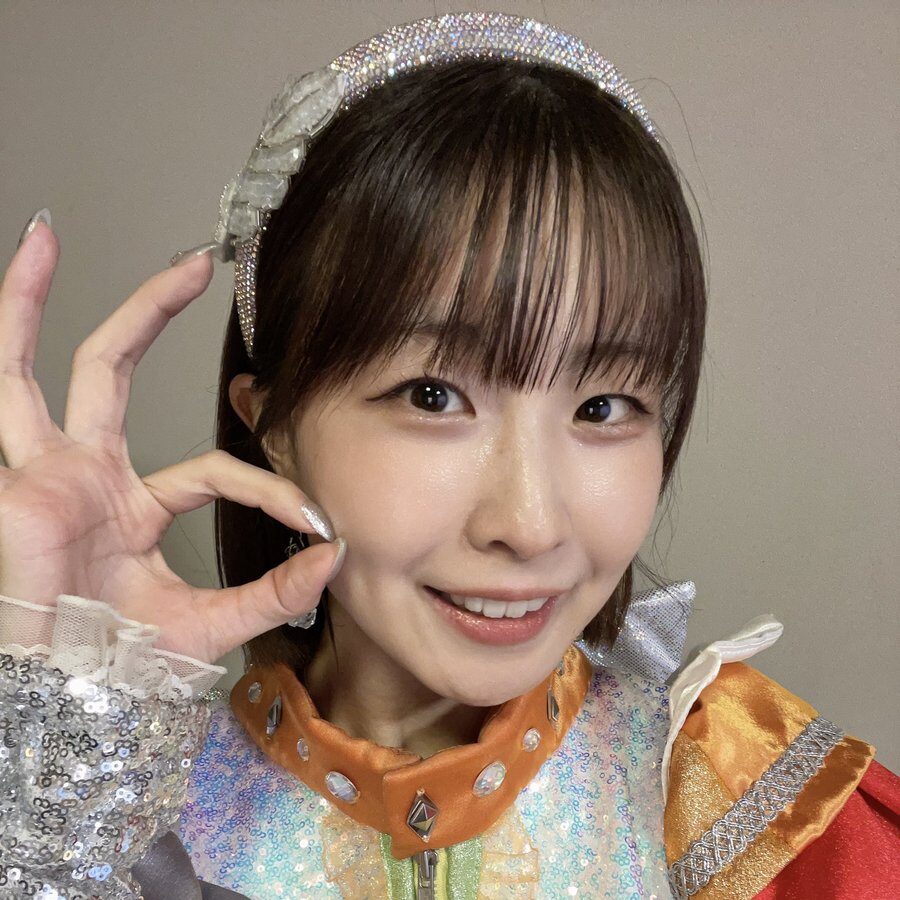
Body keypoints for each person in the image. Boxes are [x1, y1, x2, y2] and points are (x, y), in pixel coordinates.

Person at [0, 11, 896, 900]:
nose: (529, 525)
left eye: (603, 406)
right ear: (272, 426)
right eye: (432, 396)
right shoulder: (131, 823)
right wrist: (65, 761)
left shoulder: (752, 808)